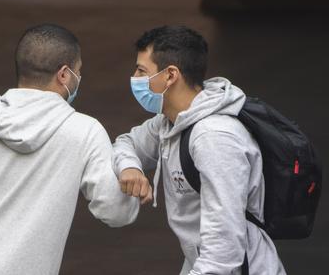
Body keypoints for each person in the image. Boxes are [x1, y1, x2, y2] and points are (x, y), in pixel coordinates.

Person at [0, 24, 141, 275]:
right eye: (78, 71)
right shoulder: (83, 132)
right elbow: (116, 211)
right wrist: (130, 175)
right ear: (64, 75)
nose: (79, 78)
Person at [112, 25, 286, 275]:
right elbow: (126, 142)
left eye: (142, 71)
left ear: (170, 75)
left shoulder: (214, 139)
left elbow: (223, 248)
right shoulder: (169, 121)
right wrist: (129, 166)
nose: (135, 78)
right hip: (199, 263)